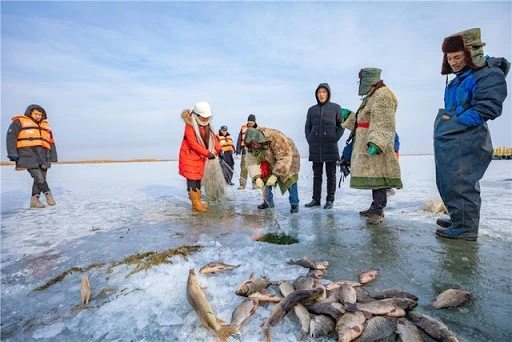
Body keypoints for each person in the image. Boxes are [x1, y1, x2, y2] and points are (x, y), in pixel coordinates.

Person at [434, 28, 509, 241]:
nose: (453, 62)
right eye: (449, 58)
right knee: (448, 180)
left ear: (470, 53)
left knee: (461, 181)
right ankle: (460, 218)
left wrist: (456, 121)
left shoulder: (487, 74)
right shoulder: (458, 78)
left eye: (457, 57)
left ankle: (466, 227)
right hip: (453, 139)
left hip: (469, 138)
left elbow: (488, 107)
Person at [342, 68, 403, 225]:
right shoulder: (371, 96)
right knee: (374, 176)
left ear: (367, 81)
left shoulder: (382, 95)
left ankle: (378, 211)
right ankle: (374, 207)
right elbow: (362, 121)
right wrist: (349, 116)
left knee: (379, 177)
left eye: (361, 80)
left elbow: (383, 121)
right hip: (366, 140)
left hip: (375, 143)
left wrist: (377, 142)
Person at [304, 83, 349, 209]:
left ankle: (330, 200)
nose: (321, 94)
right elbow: (307, 127)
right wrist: (310, 139)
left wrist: (334, 138)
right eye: (319, 92)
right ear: (316, 94)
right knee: (316, 175)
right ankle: (316, 199)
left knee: (331, 174)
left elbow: (341, 125)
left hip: (330, 146)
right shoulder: (311, 110)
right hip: (316, 147)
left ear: (328, 93)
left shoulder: (336, 108)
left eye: (324, 92)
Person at [6, 104, 58, 208]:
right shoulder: (19, 122)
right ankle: (48, 194)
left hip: (44, 155)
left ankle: (35, 201)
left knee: (41, 178)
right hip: (27, 155)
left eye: (40, 114)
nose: (38, 116)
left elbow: (51, 142)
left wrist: (53, 156)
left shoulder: (45, 126)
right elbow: (11, 138)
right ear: (30, 113)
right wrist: (12, 154)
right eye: (36, 114)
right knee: (38, 177)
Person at [244, 127, 300, 214]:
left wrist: (275, 175)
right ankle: (268, 202)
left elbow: (284, 157)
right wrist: (256, 177)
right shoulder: (249, 144)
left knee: (290, 178)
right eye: (252, 145)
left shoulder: (275, 137)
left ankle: (294, 203)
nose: (254, 146)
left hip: (288, 155)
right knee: (264, 178)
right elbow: (251, 161)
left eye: (256, 144)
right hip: (268, 160)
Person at [178, 101, 222, 212]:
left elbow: (213, 138)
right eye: (203, 117)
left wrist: (219, 150)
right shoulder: (190, 126)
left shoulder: (207, 125)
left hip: (200, 157)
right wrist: (208, 153)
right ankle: (195, 204)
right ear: (197, 115)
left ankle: (198, 201)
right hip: (189, 156)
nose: (206, 119)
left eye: (207, 117)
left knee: (198, 179)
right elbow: (193, 144)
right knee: (192, 179)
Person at [235, 114, 258, 190]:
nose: (250, 123)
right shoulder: (243, 128)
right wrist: (238, 151)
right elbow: (239, 140)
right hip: (245, 151)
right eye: (249, 121)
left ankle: (255, 184)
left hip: (254, 152)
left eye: (252, 121)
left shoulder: (258, 129)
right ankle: (242, 184)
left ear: (254, 122)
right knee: (244, 168)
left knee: (254, 168)